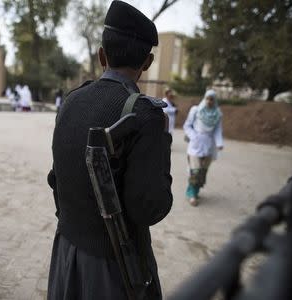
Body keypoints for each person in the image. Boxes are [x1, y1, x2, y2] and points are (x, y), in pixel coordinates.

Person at [47, 1, 173, 299]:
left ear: (102, 54)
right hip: (115, 270)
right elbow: (150, 208)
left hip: (67, 253)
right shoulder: (146, 116)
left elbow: (56, 179)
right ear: (148, 62)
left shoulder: (71, 101)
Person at [183, 89, 224, 206]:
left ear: (215, 100)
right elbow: (187, 126)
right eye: (207, 98)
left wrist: (219, 143)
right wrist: (194, 136)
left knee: (202, 172)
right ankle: (191, 194)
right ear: (204, 98)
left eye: (212, 99)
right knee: (195, 170)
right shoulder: (196, 110)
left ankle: (195, 191)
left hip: (209, 146)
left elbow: (217, 130)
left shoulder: (217, 114)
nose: (209, 101)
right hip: (196, 144)